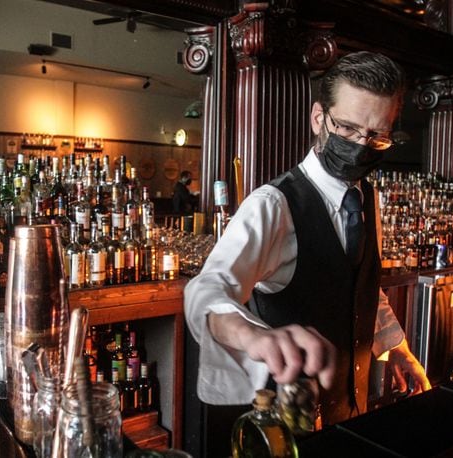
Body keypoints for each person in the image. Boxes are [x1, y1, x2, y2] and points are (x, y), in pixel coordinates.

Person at [184, 51, 430, 426]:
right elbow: (208, 289)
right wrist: (252, 336)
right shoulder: (273, 205)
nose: (360, 145)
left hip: (352, 408)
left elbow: (359, 287)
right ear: (319, 118)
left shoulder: (367, 197)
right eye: (347, 128)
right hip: (292, 419)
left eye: (376, 136)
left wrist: (396, 348)